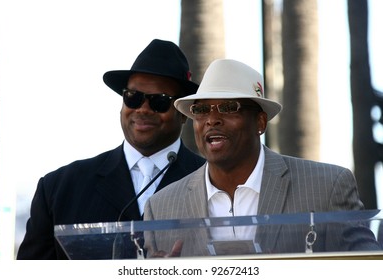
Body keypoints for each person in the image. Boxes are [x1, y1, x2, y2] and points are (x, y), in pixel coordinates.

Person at [143, 58, 381, 257]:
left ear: (260, 122)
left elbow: (366, 266)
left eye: (228, 108)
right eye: (201, 110)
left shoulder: (327, 187)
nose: (211, 119)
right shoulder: (161, 207)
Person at [17, 39, 206, 259]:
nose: (143, 109)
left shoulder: (212, 182)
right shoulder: (58, 188)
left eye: (159, 101)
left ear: (183, 113)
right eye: (133, 98)